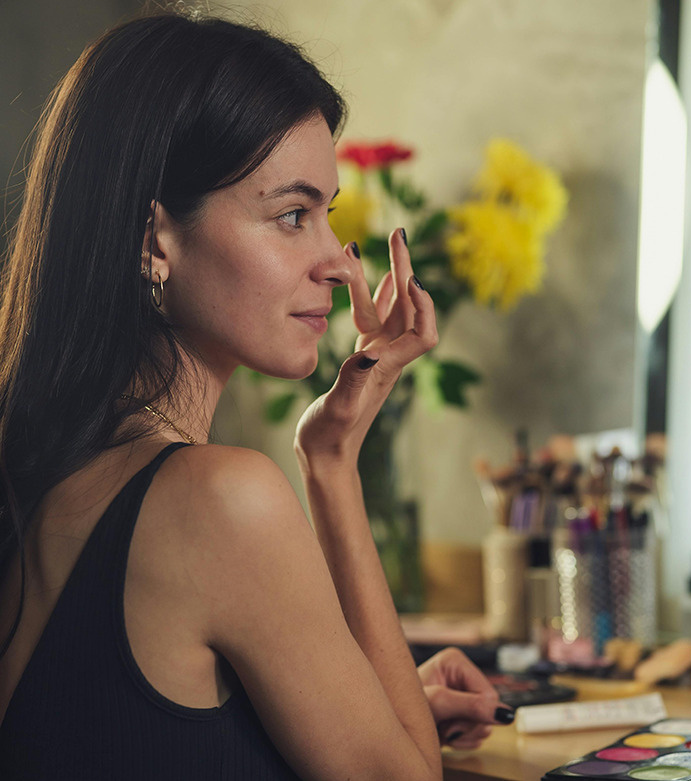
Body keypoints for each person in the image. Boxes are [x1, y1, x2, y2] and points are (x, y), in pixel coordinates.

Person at [0, 10, 510, 779]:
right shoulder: (219, 501)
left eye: (328, 215)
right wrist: (332, 464)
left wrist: (369, 700)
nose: (339, 265)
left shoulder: (52, 472)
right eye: (292, 214)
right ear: (153, 240)